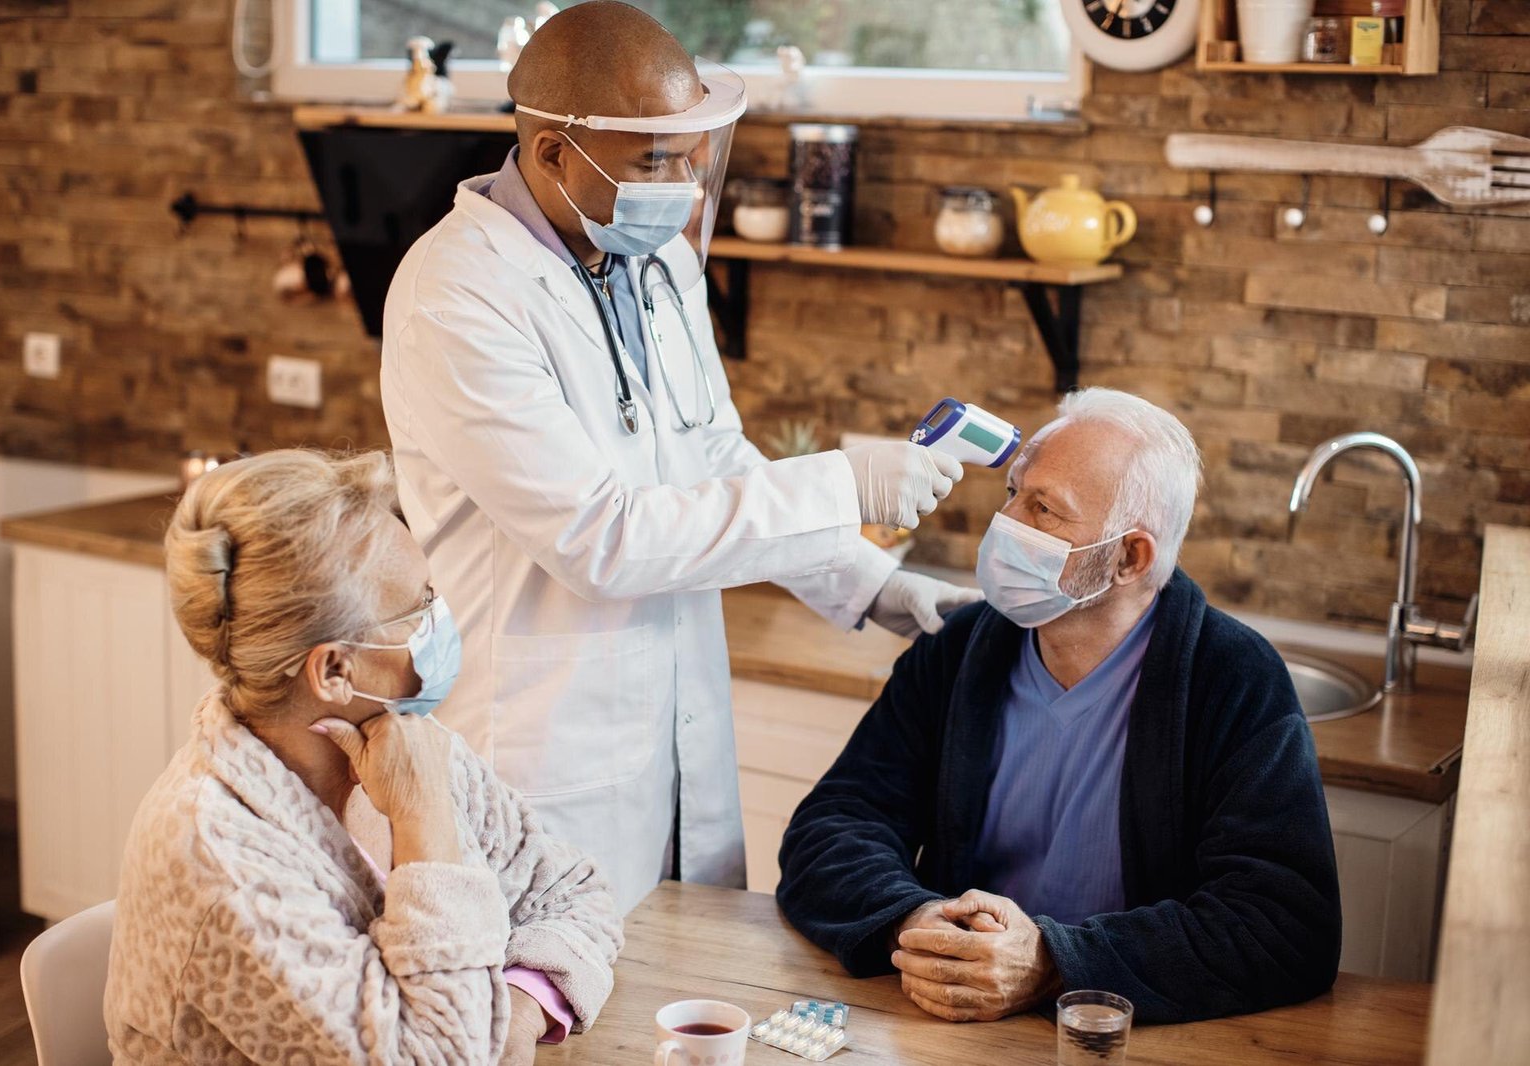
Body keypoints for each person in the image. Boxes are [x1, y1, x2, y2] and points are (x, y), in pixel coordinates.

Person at [380, 0, 978, 913]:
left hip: (674, 736)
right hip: (540, 754)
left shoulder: (659, 267)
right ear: (551, 154)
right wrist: (842, 480)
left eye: (692, 152)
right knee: (545, 1031)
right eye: (656, 160)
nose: (688, 184)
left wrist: (875, 587)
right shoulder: (456, 294)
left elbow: (716, 462)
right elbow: (601, 538)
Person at [776, 389, 1342, 1024]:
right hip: (950, 1021)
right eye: (1013, 493)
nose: (1008, 522)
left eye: (1044, 509)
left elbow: (1283, 923)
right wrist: (912, 919)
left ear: (1130, 557)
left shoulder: (1234, 679)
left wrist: (1053, 962)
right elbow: (830, 830)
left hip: (1122, 1038)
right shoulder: (959, 650)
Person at [104, 450, 622, 1065]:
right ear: (334, 670)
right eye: (421, 606)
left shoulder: (408, 742)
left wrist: (519, 1002)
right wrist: (423, 819)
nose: (442, 621)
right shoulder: (218, 857)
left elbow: (571, 890)